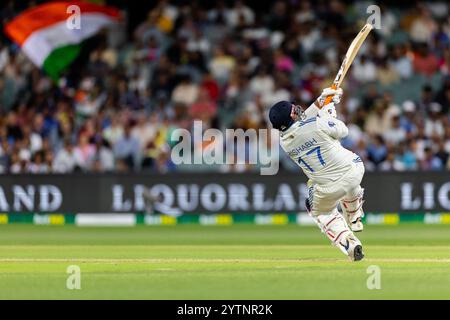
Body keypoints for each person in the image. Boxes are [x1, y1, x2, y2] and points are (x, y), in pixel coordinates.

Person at [269, 88, 366, 261]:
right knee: (349, 182)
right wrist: (328, 114)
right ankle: (354, 215)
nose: (297, 109)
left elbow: (304, 125)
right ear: (292, 115)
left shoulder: (285, 142)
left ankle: (347, 241)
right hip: (355, 168)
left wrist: (321, 101)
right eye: (294, 109)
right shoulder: (317, 123)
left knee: (320, 211)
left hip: (329, 188)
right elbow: (343, 131)